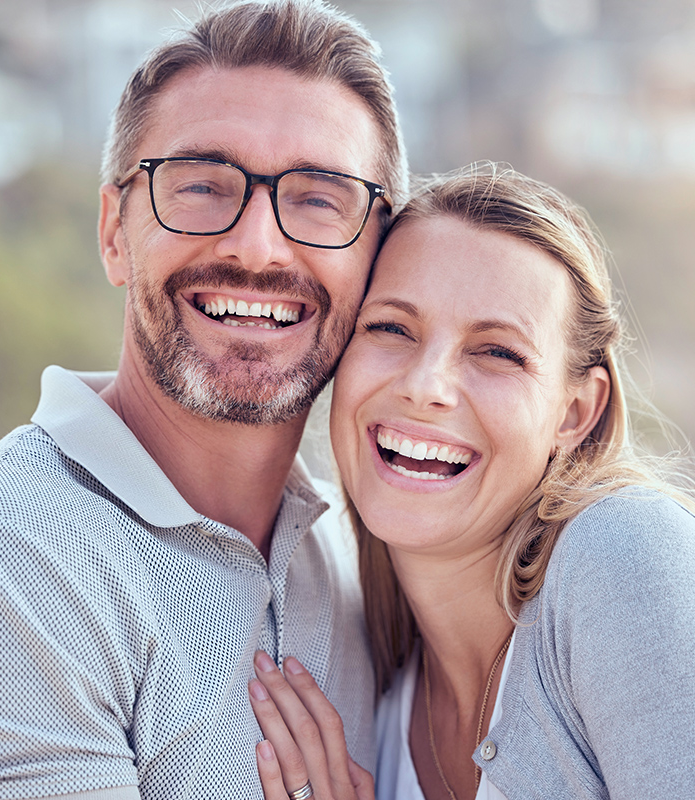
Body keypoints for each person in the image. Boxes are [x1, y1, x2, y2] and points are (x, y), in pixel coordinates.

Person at [0, 2, 407, 798]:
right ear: (113, 233)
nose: (257, 246)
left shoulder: (361, 561)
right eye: (202, 185)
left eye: (318, 198)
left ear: (379, 255)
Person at [248, 162, 695, 800]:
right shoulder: (370, 677)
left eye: (497, 352)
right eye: (391, 328)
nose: (425, 385)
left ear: (575, 412)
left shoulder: (625, 556)